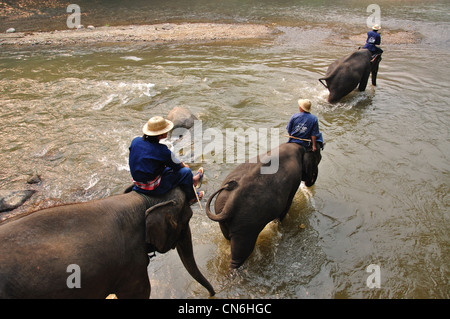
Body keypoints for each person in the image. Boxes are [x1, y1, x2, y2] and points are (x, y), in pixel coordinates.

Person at [129, 116, 204, 205]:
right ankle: (192, 197)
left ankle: (193, 180)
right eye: (166, 131)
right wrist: (184, 165)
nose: (168, 132)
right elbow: (176, 167)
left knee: (166, 167)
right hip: (152, 187)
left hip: (138, 183)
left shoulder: (135, 141)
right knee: (186, 171)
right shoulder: (162, 150)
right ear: (160, 135)